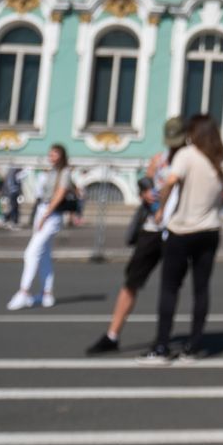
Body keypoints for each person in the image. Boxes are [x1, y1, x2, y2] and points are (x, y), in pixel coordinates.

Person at [139, 115, 223, 364]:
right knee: (201, 288)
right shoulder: (220, 161)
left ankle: (162, 345)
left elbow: (171, 182)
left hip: (181, 230)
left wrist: (162, 208)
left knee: (170, 288)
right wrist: (217, 205)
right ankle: (193, 346)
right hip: (209, 230)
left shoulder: (187, 155)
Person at [87, 118, 186, 356]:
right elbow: (146, 181)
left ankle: (163, 339)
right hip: (152, 228)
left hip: (177, 229)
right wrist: (145, 192)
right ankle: (113, 334)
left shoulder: (188, 161)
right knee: (132, 281)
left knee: (169, 287)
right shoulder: (159, 159)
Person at [7, 146, 76, 310]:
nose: (51, 156)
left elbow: (60, 194)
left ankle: (23, 292)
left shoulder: (64, 172)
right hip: (44, 210)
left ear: (62, 155)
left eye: (55, 153)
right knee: (44, 254)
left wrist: (45, 215)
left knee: (31, 252)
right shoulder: (54, 171)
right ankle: (47, 294)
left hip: (51, 214)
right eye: (50, 153)